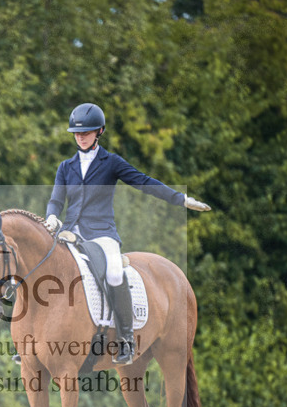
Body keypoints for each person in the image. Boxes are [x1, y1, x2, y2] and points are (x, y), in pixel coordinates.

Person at [45, 102, 211, 364]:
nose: (80, 137)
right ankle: (34, 339)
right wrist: (51, 216)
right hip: (70, 233)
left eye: (86, 132)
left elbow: (143, 182)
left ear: (99, 131)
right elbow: (56, 200)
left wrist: (180, 199)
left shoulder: (111, 162)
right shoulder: (65, 167)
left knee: (113, 272)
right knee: (44, 267)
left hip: (101, 234)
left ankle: (126, 338)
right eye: (77, 133)